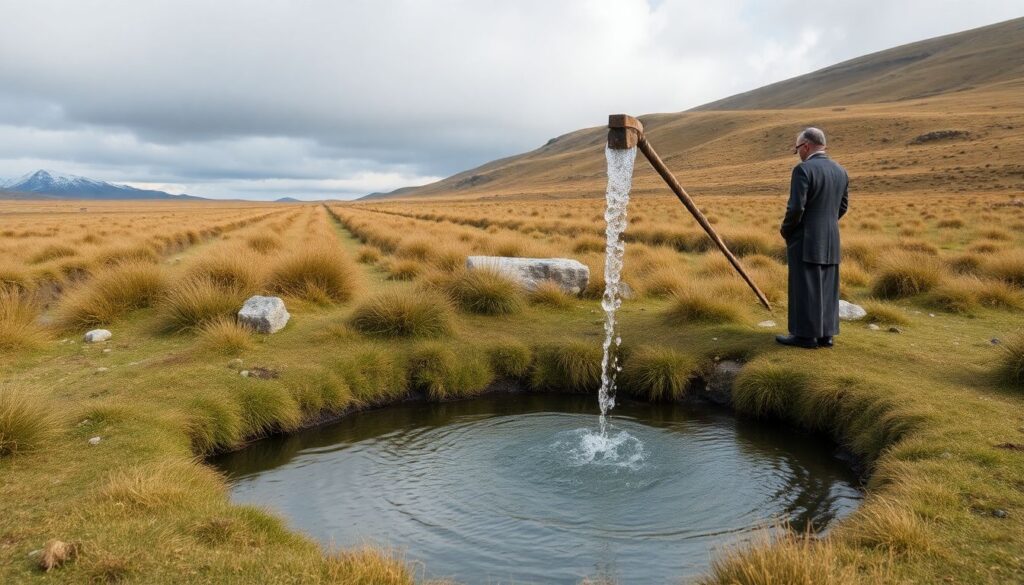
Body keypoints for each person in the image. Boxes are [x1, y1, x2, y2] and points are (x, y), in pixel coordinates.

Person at [776, 127, 848, 349]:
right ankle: (826, 335)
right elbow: (843, 206)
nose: (798, 153)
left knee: (804, 286)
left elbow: (796, 207)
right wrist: (826, 224)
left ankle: (805, 336)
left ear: (806, 146)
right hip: (831, 238)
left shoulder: (803, 170)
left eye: (797, 148)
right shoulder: (841, 171)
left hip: (806, 238)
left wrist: (788, 230)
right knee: (827, 286)